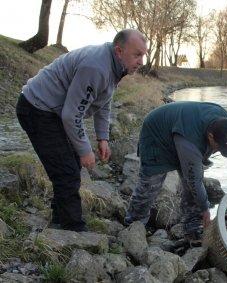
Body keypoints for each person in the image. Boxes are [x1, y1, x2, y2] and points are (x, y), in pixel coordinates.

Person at [16, 29, 147, 232]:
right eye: (137, 54)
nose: (141, 61)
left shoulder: (113, 66)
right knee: (66, 170)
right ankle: (73, 229)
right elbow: (71, 114)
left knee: (69, 166)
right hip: (37, 109)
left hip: (53, 112)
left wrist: (103, 138)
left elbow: (103, 102)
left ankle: (60, 220)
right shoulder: (96, 67)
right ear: (119, 51)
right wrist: (85, 150)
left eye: (143, 55)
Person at [124, 101, 227, 245]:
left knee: (192, 190)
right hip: (157, 136)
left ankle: (192, 229)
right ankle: (133, 226)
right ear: (211, 137)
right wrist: (205, 208)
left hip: (182, 130)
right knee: (150, 186)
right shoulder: (190, 140)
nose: (220, 151)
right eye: (220, 147)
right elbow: (194, 180)